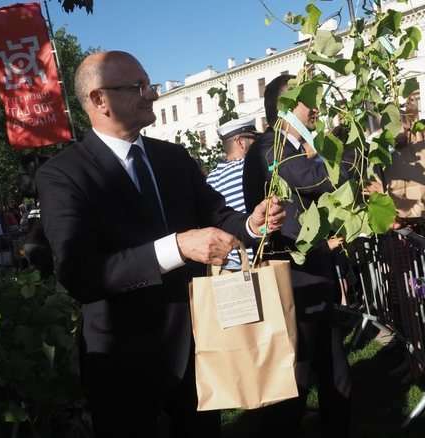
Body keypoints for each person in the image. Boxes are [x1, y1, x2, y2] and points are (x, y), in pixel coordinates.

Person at [35, 51, 285, 438]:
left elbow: (218, 215)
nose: (151, 94)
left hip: (198, 347)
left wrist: (252, 223)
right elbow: (79, 274)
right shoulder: (63, 175)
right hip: (122, 363)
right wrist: (178, 247)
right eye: (138, 87)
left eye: (148, 84)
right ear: (99, 100)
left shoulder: (173, 158)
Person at [243, 74, 352, 438]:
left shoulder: (288, 146)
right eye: (310, 100)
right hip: (292, 273)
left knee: (329, 354)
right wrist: (352, 148)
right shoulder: (270, 148)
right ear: (288, 106)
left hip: (310, 268)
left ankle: (336, 420)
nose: (317, 108)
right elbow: (313, 180)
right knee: (298, 362)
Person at [207, 116, 258, 270]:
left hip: (230, 266)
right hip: (257, 262)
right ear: (241, 142)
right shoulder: (252, 167)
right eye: (254, 140)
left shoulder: (211, 178)